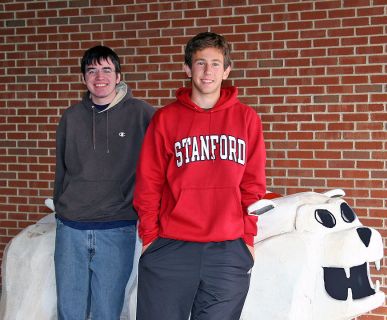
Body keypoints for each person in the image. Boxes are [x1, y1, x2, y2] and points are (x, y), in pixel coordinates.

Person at [134, 32, 267, 320]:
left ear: (227, 70)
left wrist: (247, 238)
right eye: (200, 63)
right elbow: (149, 183)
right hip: (171, 246)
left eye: (216, 64)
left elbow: (253, 186)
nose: (208, 72)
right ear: (187, 68)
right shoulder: (165, 119)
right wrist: (149, 238)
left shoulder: (246, 119)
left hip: (228, 248)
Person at [53, 45, 154, 320]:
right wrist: (63, 209)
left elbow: (159, 164)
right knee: (69, 311)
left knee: (106, 312)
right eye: (92, 70)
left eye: (107, 69)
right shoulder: (71, 117)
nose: (100, 77)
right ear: (84, 78)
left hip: (116, 227)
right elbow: (61, 170)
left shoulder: (143, 115)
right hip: (71, 229)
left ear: (118, 76)